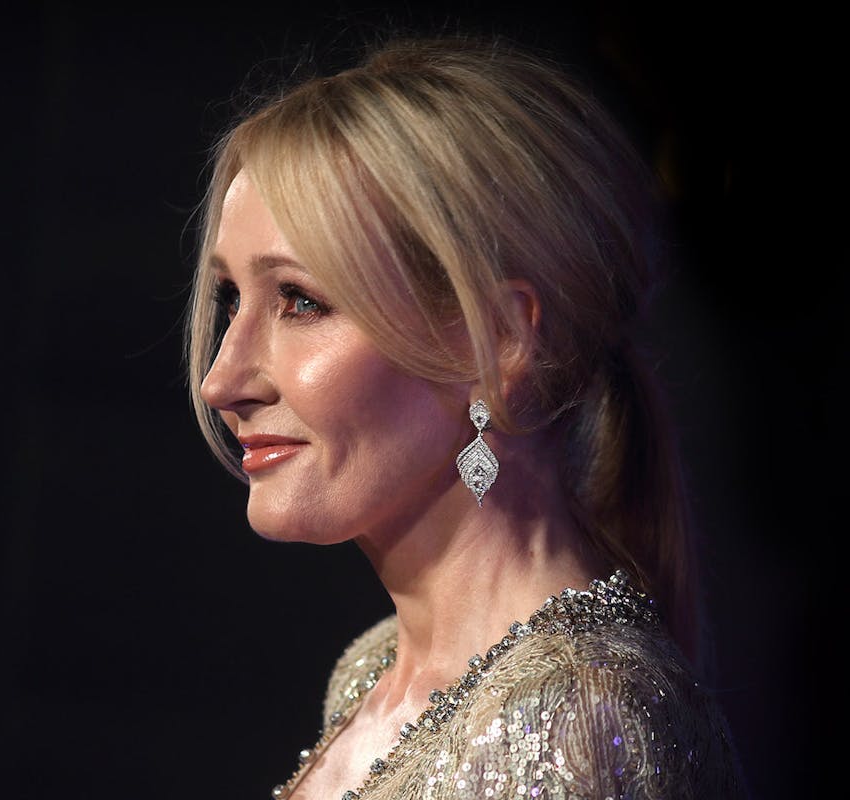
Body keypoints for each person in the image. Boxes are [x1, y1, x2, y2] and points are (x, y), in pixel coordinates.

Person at [185, 34, 746, 799]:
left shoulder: (574, 723)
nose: (222, 381)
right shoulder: (372, 670)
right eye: (230, 298)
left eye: (302, 301)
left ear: (500, 342)